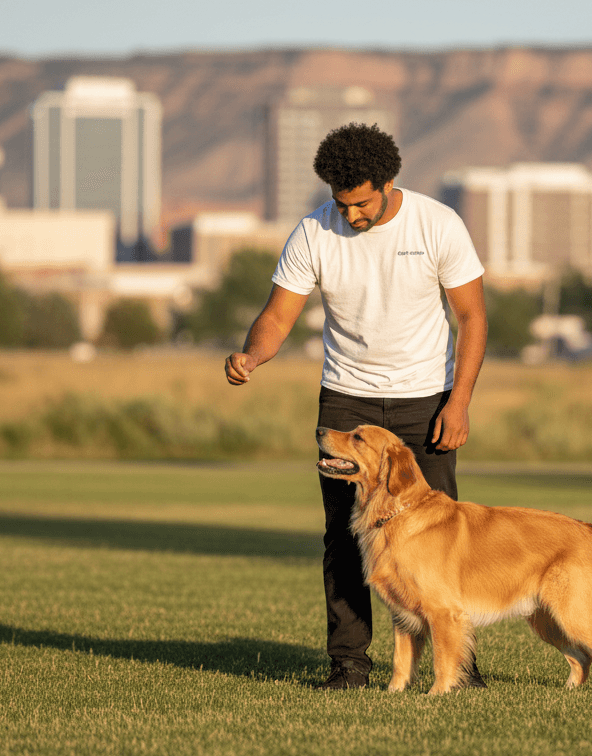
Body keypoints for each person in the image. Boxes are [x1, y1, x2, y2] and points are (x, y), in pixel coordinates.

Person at [225, 123, 488, 690]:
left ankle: (459, 669)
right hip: (347, 398)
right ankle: (349, 666)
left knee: (442, 537)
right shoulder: (313, 232)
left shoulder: (438, 223)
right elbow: (277, 317)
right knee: (344, 539)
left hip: (426, 398)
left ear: (389, 183)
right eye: (341, 204)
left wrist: (459, 400)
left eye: (361, 203)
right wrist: (252, 354)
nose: (351, 215)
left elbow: (471, 316)